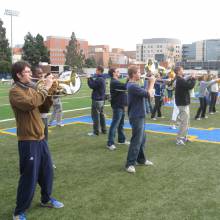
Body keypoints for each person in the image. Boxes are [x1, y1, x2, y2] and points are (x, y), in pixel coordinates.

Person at [9, 61, 64, 220]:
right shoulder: (15, 91)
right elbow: (31, 103)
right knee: (29, 176)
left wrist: (51, 92)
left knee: (47, 171)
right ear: (18, 75)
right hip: (28, 140)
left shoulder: (31, 88)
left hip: (40, 138)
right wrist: (45, 87)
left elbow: (43, 108)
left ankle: (46, 199)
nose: (30, 74)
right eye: (26, 72)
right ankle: (19, 212)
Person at [125, 66, 153, 173]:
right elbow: (148, 94)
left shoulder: (135, 85)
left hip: (140, 115)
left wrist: (149, 83)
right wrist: (152, 82)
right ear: (133, 74)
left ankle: (141, 159)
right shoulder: (132, 86)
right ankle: (129, 164)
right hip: (136, 116)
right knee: (136, 140)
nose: (140, 74)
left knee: (142, 139)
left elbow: (145, 93)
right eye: (138, 72)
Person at [106, 68, 129, 150]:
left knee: (121, 124)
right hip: (117, 106)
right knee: (114, 124)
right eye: (117, 71)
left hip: (121, 105)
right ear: (113, 73)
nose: (119, 72)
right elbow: (125, 87)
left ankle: (121, 140)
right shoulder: (114, 82)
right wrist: (129, 79)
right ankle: (110, 143)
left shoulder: (116, 81)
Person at [175, 66, 196, 145]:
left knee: (186, 121)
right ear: (178, 71)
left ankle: (184, 137)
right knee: (184, 122)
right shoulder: (180, 80)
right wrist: (193, 78)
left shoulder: (181, 79)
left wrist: (191, 78)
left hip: (184, 103)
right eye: (182, 70)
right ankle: (178, 139)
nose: (183, 71)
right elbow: (190, 86)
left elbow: (186, 82)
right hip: (182, 103)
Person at [32, 66, 53, 140]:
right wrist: (46, 88)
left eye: (42, 73)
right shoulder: (33, 86)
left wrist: (50, 92)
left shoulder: (42, 84)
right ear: (33, 74)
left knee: (45, 139)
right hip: (37, 116)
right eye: (39, 73)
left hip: (44, 114)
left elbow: (48, 104)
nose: (41, 75)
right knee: (40, 139)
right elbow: (37, 102)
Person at [87, 65, 107, 136]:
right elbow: (95, 84)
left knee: (95, 116)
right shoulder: (102, 78)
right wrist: (91, 78)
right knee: (101, 115)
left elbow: (92, 86)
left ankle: (96, 132)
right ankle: (104, 130)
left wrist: (88, 79)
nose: (95, 71)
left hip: (97, 100)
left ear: (99, 71)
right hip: (101, 100)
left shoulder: (99, 79)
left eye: (96, 70)